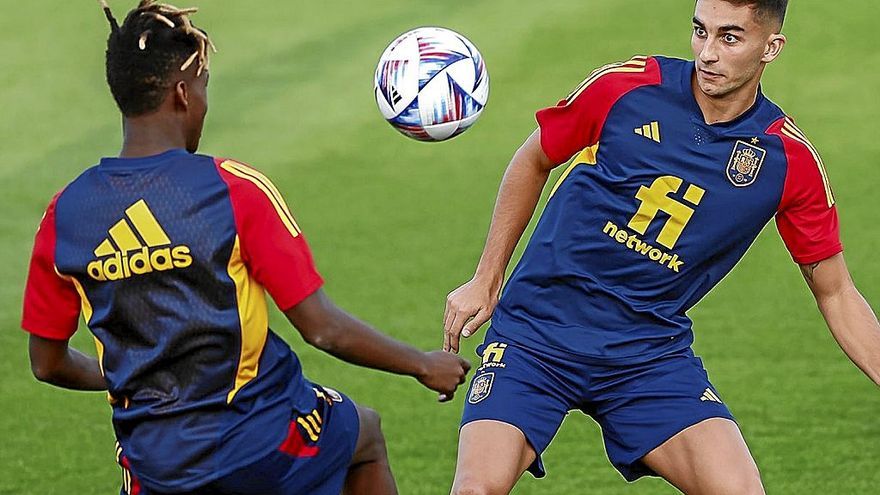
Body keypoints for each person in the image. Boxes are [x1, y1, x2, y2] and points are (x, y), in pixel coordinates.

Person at [21, 2, 470, 494]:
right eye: (203, 86)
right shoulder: (232, 188)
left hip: (155, 463)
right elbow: (322, 329)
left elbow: (48, 363)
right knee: (364, 433)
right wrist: (424, 365)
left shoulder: (63, 213)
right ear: (181, 93)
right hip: (259, 440)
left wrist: (136, 379)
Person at [443, 0, 880, 493]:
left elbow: (837, 293)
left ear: (770, 48)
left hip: (647, 355)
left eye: (729, 38)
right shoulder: (627, 87)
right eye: (700, 31)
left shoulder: (788, 161)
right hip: (538, 335)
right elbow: (533, 159)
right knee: (476, 488)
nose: (707, 53)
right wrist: (487, 277)